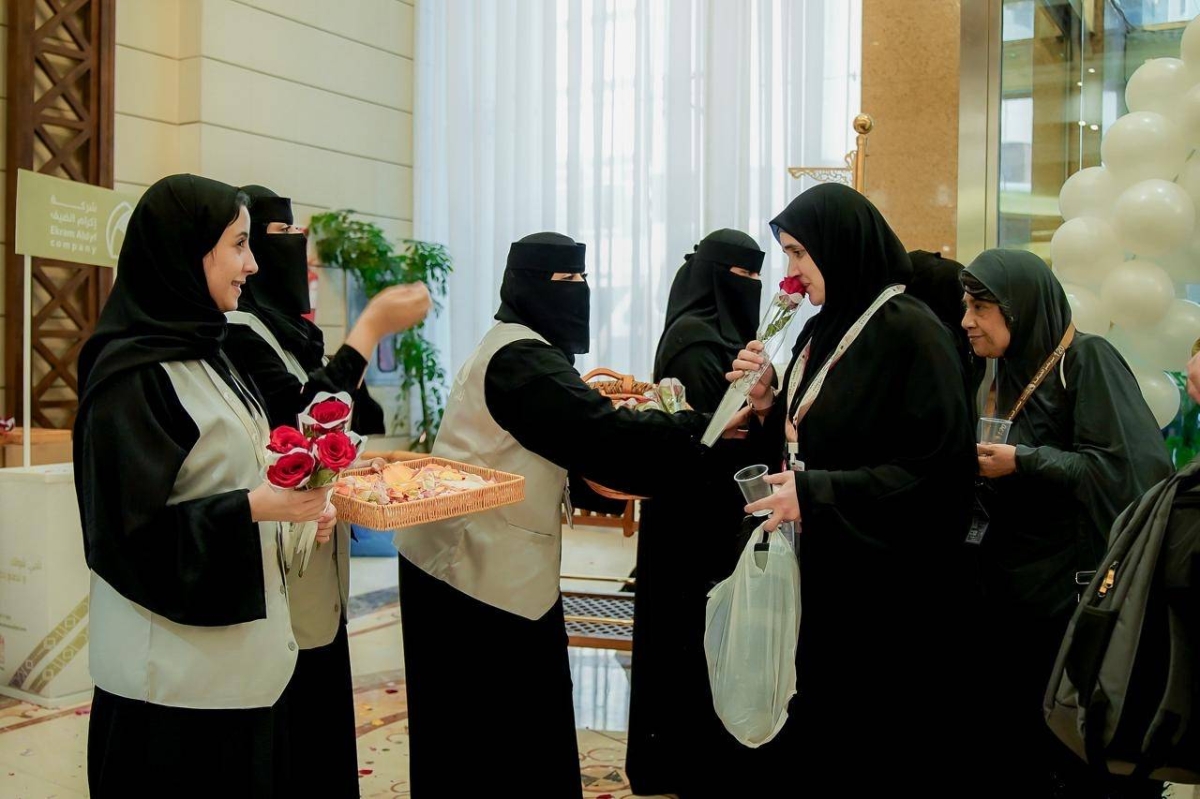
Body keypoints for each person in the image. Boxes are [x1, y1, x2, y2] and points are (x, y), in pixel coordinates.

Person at [392, 232, 712, 798]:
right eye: (565, 280)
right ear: (526, 285)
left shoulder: (522, 347)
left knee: (512, 728)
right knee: (492, 736)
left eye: (584, 279)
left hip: (490, 564)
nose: (579, 291)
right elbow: (601, 433)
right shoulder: (522, 360)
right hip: (469, 572)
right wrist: (700, 428)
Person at [74, 174, 336, 797]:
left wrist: (293, 514)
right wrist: (256, 508)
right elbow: (125, 537)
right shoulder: (132, 378)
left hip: (238, 667)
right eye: (238, 245)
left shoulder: (208, 350)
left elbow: (230, 474)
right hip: (171, 689)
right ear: (186, 251)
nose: (253, 265)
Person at [729, 183, 977, 791]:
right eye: (788, 255)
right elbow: (811, 436)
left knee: (867, 737)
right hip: (825, 567)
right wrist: (767, 403)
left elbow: (936, 473)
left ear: (841, 248)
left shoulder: (914, 334)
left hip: (884, 588)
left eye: (799, 254)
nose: (792, 273)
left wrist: (816, 493)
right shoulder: (824, 328)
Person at [222, 184, 430, 797]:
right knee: (296, 710)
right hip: (280, 548)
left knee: (323, 694)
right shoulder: (235, 330)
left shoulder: (288, 330)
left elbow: (343, 414)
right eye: (276, 237)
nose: (294, 250)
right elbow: (306, 416)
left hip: (320, 545)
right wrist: (370, 327)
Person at [962, 248, 1173, 798]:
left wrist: (1025, 461)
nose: (967, 321)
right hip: (1008, 586)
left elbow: (1127, 471)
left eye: (981, 307)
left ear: (1020, 308)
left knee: (1073, 750)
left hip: (1067, 594)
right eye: (966, 306)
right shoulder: (997, 371)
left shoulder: (1085, 360)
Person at [626, 228, 765, 796]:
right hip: (693, 516)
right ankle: (681, 764)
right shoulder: (696, 342)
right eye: (743, 275)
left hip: (707, 511)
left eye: (758, 276)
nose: (752, 286)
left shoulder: (716, 336)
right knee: (688, 640)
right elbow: (706, 438)